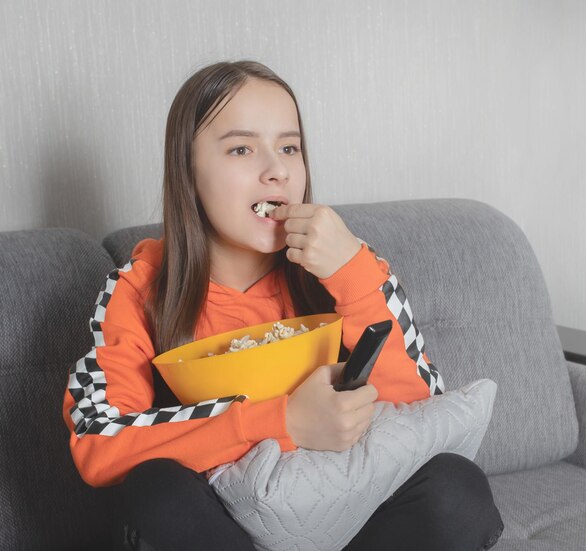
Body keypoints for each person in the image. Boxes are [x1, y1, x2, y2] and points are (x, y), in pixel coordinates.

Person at [62, 60, 503, 551]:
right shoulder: (138, 289)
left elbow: (425, 411)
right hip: (223, 530)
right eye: (242, 148)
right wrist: (283, 421)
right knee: (155, 491)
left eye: (290, 147)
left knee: (455, 486)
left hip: (348, 520)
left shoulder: (349, 267)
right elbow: (100, 442)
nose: (276, 170)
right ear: (188, 171)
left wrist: (351, 271)